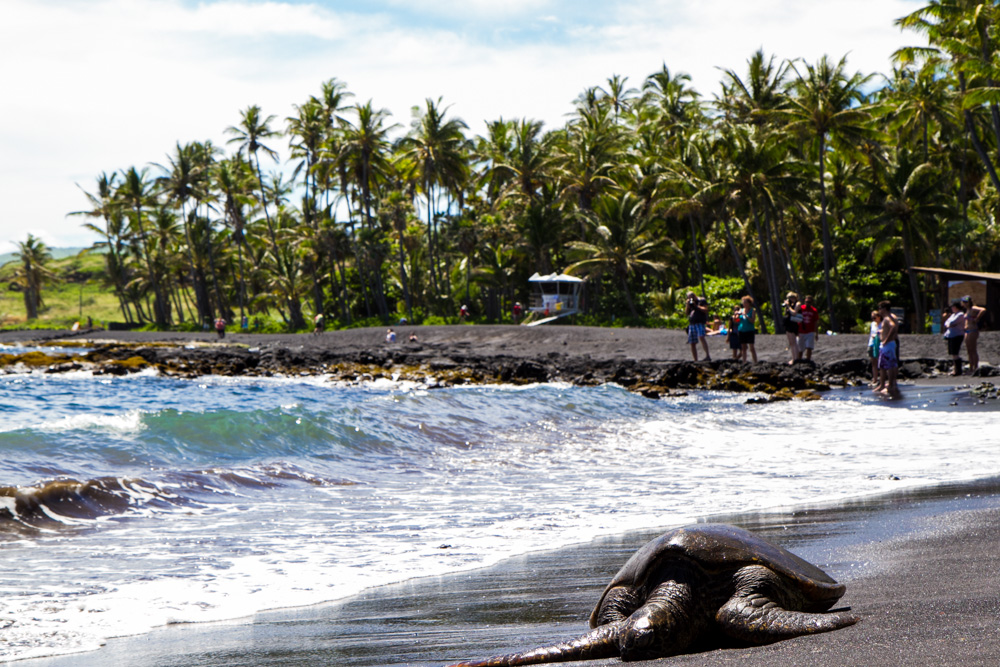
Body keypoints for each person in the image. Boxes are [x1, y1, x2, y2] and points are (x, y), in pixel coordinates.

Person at [875, 300, 900, 396]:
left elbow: (893, 327)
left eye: (880, 308)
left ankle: (890, 385)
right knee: (888, 364)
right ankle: (887, 384)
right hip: (890, 343)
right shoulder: (890, 317)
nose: (879, 310)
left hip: (888, 344)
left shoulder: (887, 318)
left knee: (888, 365)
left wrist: (886, 340)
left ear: (884, 308)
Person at [962, 295, 987, 374]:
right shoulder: (967, 310)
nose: (965, 304)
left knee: (973, 349)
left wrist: (977, 318)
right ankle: (971, 367)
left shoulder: (973, 308)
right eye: (964, 302)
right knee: (969, 350)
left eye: (966, 302)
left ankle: (975, 367)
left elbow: (983, 310)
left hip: (973, 330)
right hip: (967, 330)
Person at [684, 292, 711, 361]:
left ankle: (707, 355)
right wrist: (688, 305)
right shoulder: (690, 303)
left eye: (692, 296)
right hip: (692, 323)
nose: (691, 298)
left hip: (700, 322)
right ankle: (695, 359)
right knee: (692, 342)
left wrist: (696, 306)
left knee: (701, 337)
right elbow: (687, 313)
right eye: (689, 297)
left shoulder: (701, 301)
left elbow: (705, 310)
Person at [943, 300, 966, 376]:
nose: (952, 308)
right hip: (951, 335)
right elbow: (946, 323)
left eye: (952, 307)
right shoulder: (953, 315)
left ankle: (958, 370)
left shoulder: (960, 314)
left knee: (955, 352)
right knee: (952, 353)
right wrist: (949, 324)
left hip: (957, 335)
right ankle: (955, 369)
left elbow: (952, 323)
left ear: (956, 307)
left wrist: (950, 324)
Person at [796, 295, 819, 360]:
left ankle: (808, 360)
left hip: (810, 332)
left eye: (809, 302)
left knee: (809, 347)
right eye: (806, 302)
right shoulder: (801, 309)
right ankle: (799, 359)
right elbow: (797, 320)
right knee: (800, 348)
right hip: (801, 331)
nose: (807, 303)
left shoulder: (814, 310)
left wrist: (816, 334)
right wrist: (796, 331)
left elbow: (815, 322)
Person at [781, 292, 801, 364]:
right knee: (791, 343)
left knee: (794, 343)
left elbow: (794, 313)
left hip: (794, 324)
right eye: (789, 298)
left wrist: (788, 306)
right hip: (788, 324)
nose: (791, 299)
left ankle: (796, 358)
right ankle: (794, 358)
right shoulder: (790, 305)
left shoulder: (797, 304)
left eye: (792, 298)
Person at [737, 296, 758, 363]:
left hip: (750, 330)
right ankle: (744, 361)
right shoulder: (741, 310)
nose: (744, 304)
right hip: (742, 330)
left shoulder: (752, 310)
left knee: (751, 347)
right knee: (743, 348)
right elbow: (737, 320)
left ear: (749, 303)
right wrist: (736, 316)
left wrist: (746, 316)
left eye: (745, 302)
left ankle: (755, 361)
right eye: (743, 303)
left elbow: (752, 321)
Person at [867, 310, 882, 385]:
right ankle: (875, 378)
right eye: (872, 318)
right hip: (872, 343)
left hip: (879, 344)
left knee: (881, 361)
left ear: (879, 317)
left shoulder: (882, 324)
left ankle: (882, 379)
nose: (873, 319)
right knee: (873, 362)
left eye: (874, 317)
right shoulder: (873, 324)